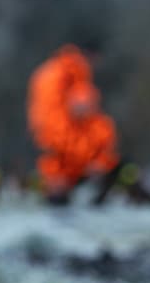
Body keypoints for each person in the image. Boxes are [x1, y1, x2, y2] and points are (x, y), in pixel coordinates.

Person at [28, 44, 119, 205]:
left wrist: (99, 164)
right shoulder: (68, 74)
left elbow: (106, 151)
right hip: (62, 159)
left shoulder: (100, 126)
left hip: (78, 171)